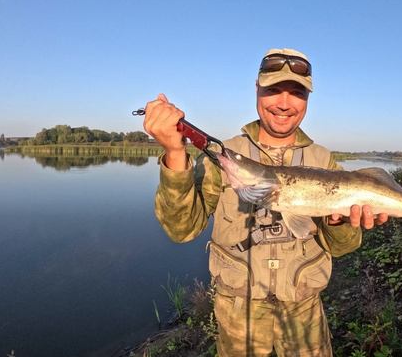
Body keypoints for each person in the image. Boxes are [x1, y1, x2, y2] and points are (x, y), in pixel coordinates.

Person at [143, 48, 388, 356]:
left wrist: (339, 222)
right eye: (273, 90)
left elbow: (341, 247)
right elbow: (181, 230)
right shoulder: (225, 155)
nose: (284, 103)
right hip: (237, 318)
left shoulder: (323, 160)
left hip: (304, 315)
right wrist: (175, 153)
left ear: (307, 100)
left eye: (297, 92)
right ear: (257, 90)